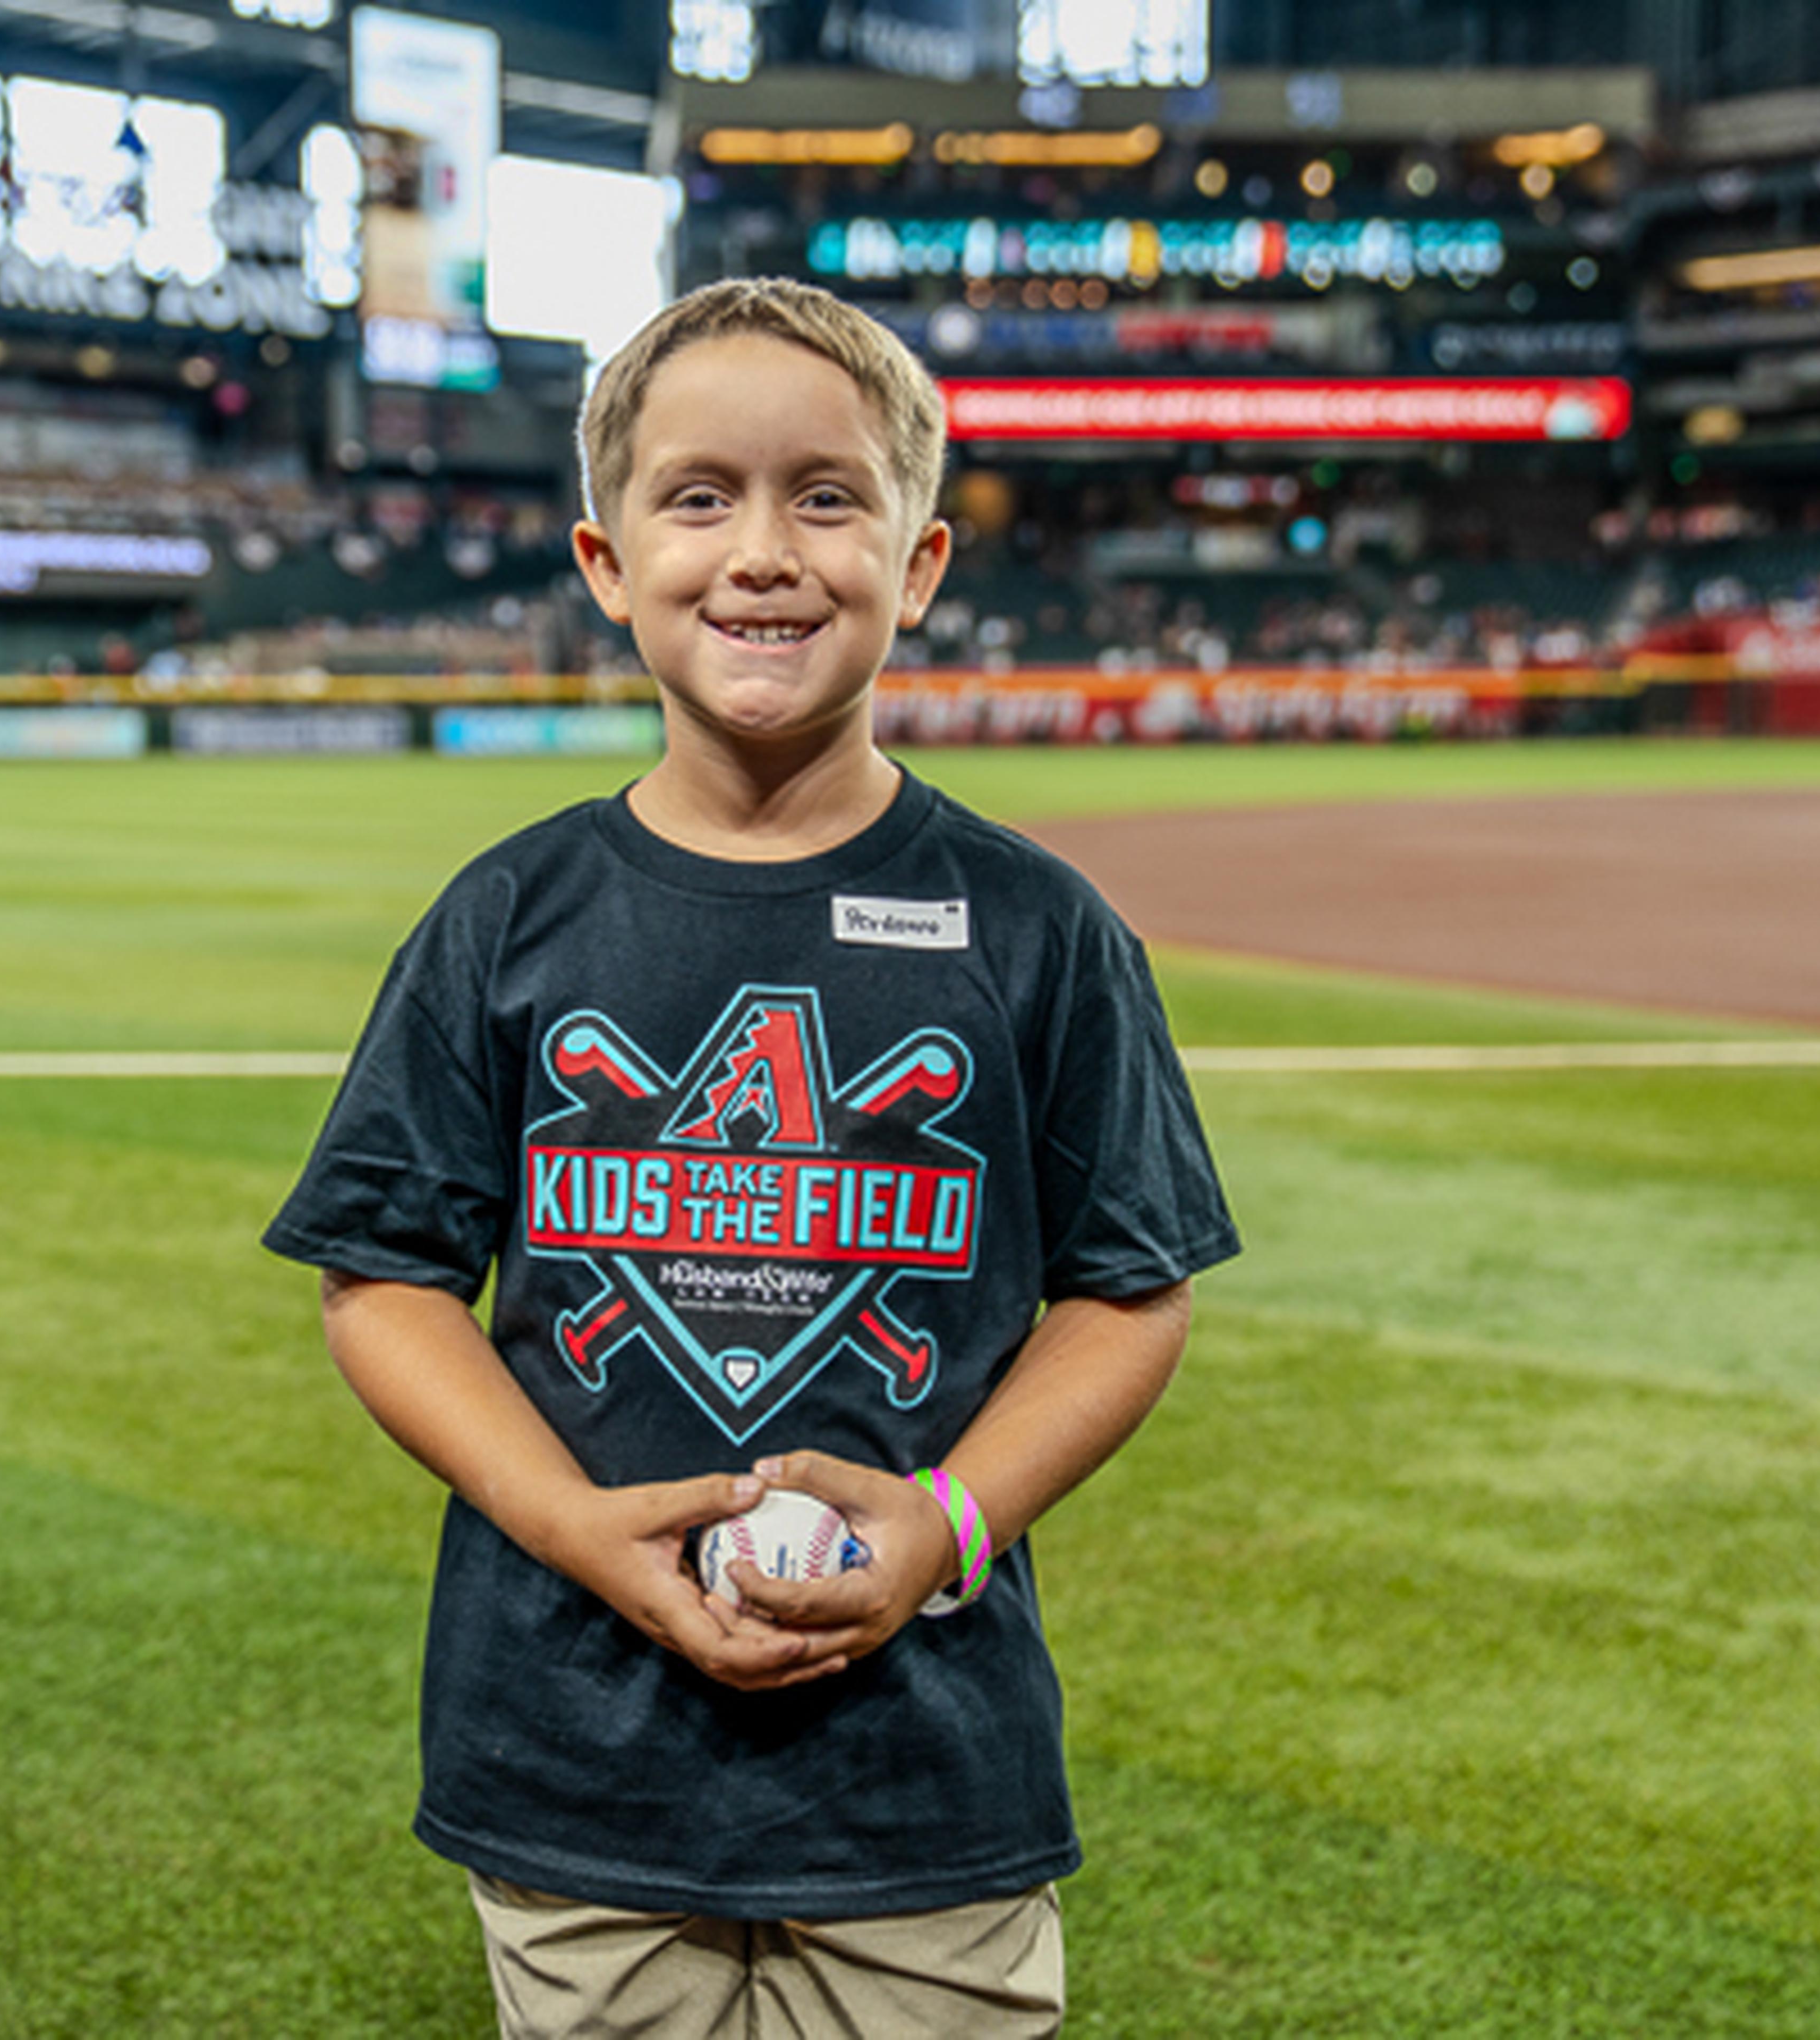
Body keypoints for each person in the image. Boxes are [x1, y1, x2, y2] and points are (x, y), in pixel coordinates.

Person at [262, 276, 1239, 2037]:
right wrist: (566, 1517)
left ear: (922, 563)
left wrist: (952, 1519)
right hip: (571, 1732)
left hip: (926, 1755)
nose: (766, 552)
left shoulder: (1037, 928)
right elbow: (384, 1274)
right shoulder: (510, 918)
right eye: (700, 497)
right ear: (606, 563)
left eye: (829, 496)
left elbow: (1128, 1291)